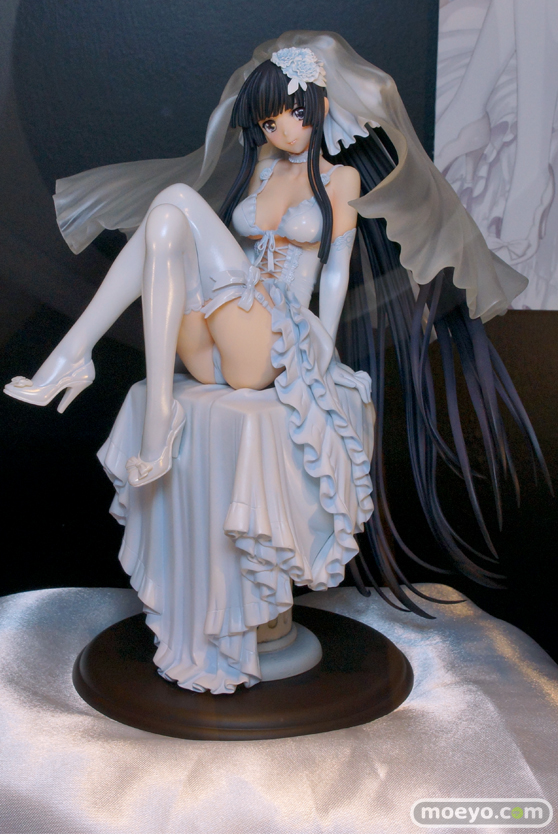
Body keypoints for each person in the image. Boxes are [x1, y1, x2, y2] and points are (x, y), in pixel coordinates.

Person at [4, 32, 549, 619]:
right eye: (269, 122)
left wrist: (323, 350)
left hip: (275, 341)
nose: (283, 130)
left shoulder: (340, 180)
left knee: (176, 201)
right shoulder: (261, 171)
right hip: (219, 343)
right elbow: (220, 255)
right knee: (164, 227)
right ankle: (142, 394)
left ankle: (76, 358)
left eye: (293, 113)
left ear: (320, 106)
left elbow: (335, 272)